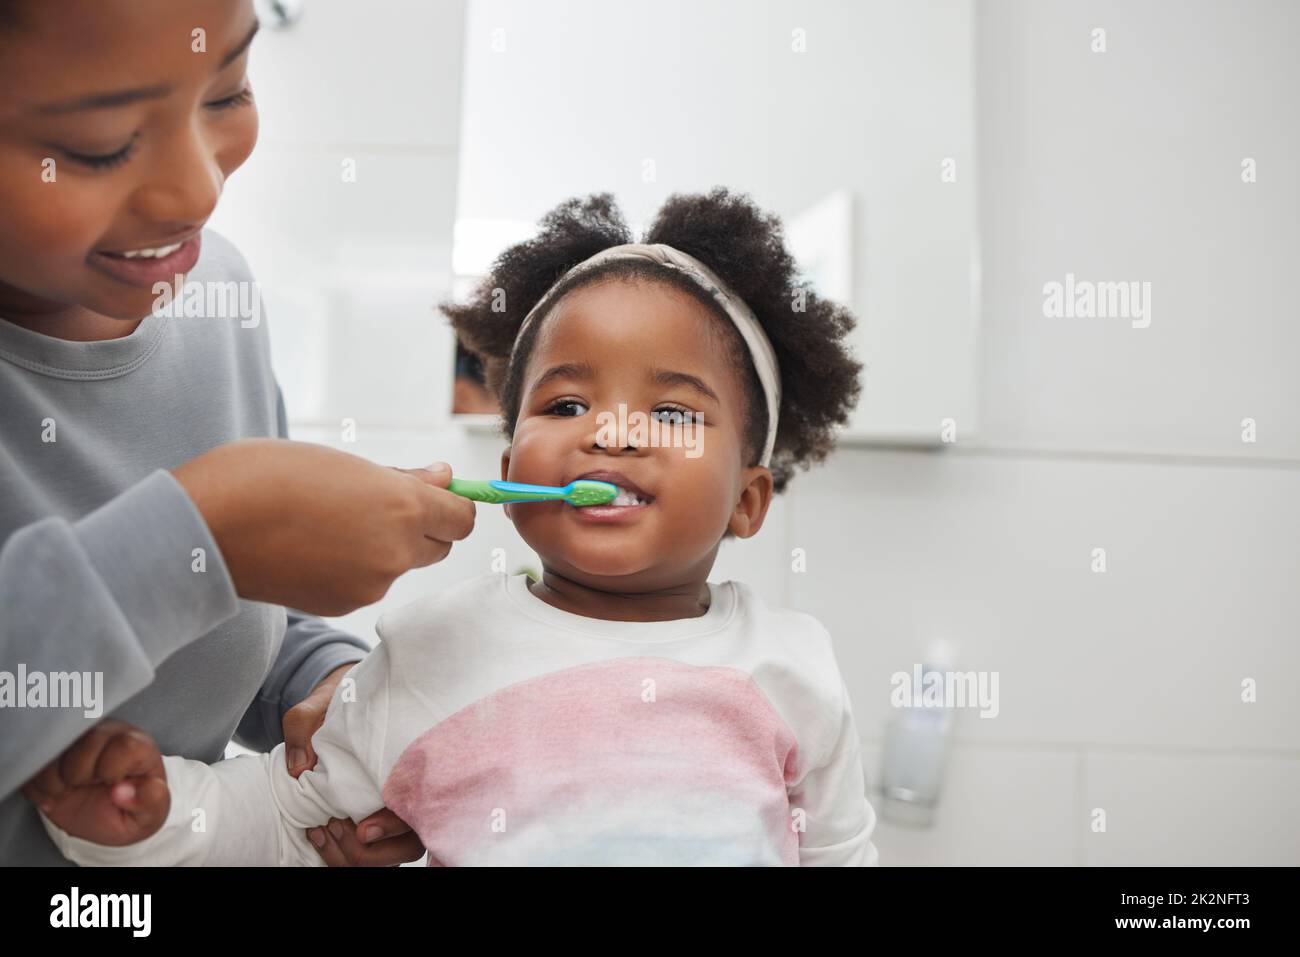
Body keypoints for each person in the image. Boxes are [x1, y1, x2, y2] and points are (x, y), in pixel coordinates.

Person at [35, 190, 878, 865]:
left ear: (749, 499)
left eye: (668, 410)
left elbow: (841, 853)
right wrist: (140, 818)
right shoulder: (432, 652)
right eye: (567, 403)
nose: (612, 433)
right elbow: (281, 820)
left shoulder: (793, 670)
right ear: (510, 464)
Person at [0, 0, 475, 865]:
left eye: (227, 91)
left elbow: (236, 617)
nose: (200, 192)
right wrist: (205, 533)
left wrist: (324, 687)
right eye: (101, 142)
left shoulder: (211, 289)